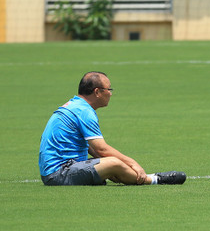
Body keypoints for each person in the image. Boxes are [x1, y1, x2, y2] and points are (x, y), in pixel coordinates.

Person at [39, 72, 186, 186]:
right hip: (58, 174)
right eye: (108, 89)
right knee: (113, 162)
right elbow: (102, 149)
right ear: (97, 92)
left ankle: (129, 175)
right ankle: (153, 179)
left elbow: (91, 147)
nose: (110, 93)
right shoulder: (84, 111)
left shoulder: (75, 105)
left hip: (59, 170)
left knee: (110, 164)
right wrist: (132, 163)